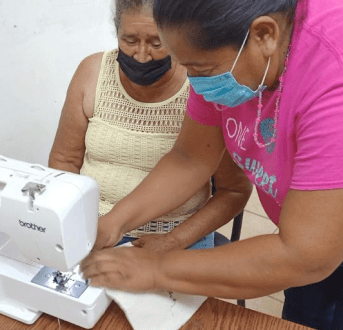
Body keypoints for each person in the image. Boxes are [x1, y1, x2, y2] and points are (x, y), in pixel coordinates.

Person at [80, 0, 343, 329]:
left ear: (264, 36)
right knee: (301, 316)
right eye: (187, 68)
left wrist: (155, 272)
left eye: (203, 71)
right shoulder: (225, 46)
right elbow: (190, 157)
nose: (196, 85)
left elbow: (303, 256)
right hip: (302, 229)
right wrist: (115, 221)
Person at [48, 0, 251, 253]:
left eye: (157, 43)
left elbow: (233, 190)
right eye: (130, 41)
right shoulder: (92, 73)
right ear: (116, 32)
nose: (142, 55)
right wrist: (80, 223)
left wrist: (174, 240)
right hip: (94, 229)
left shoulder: (202, 90)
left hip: (175, 236)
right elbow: (64, 160)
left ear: (177, 38)